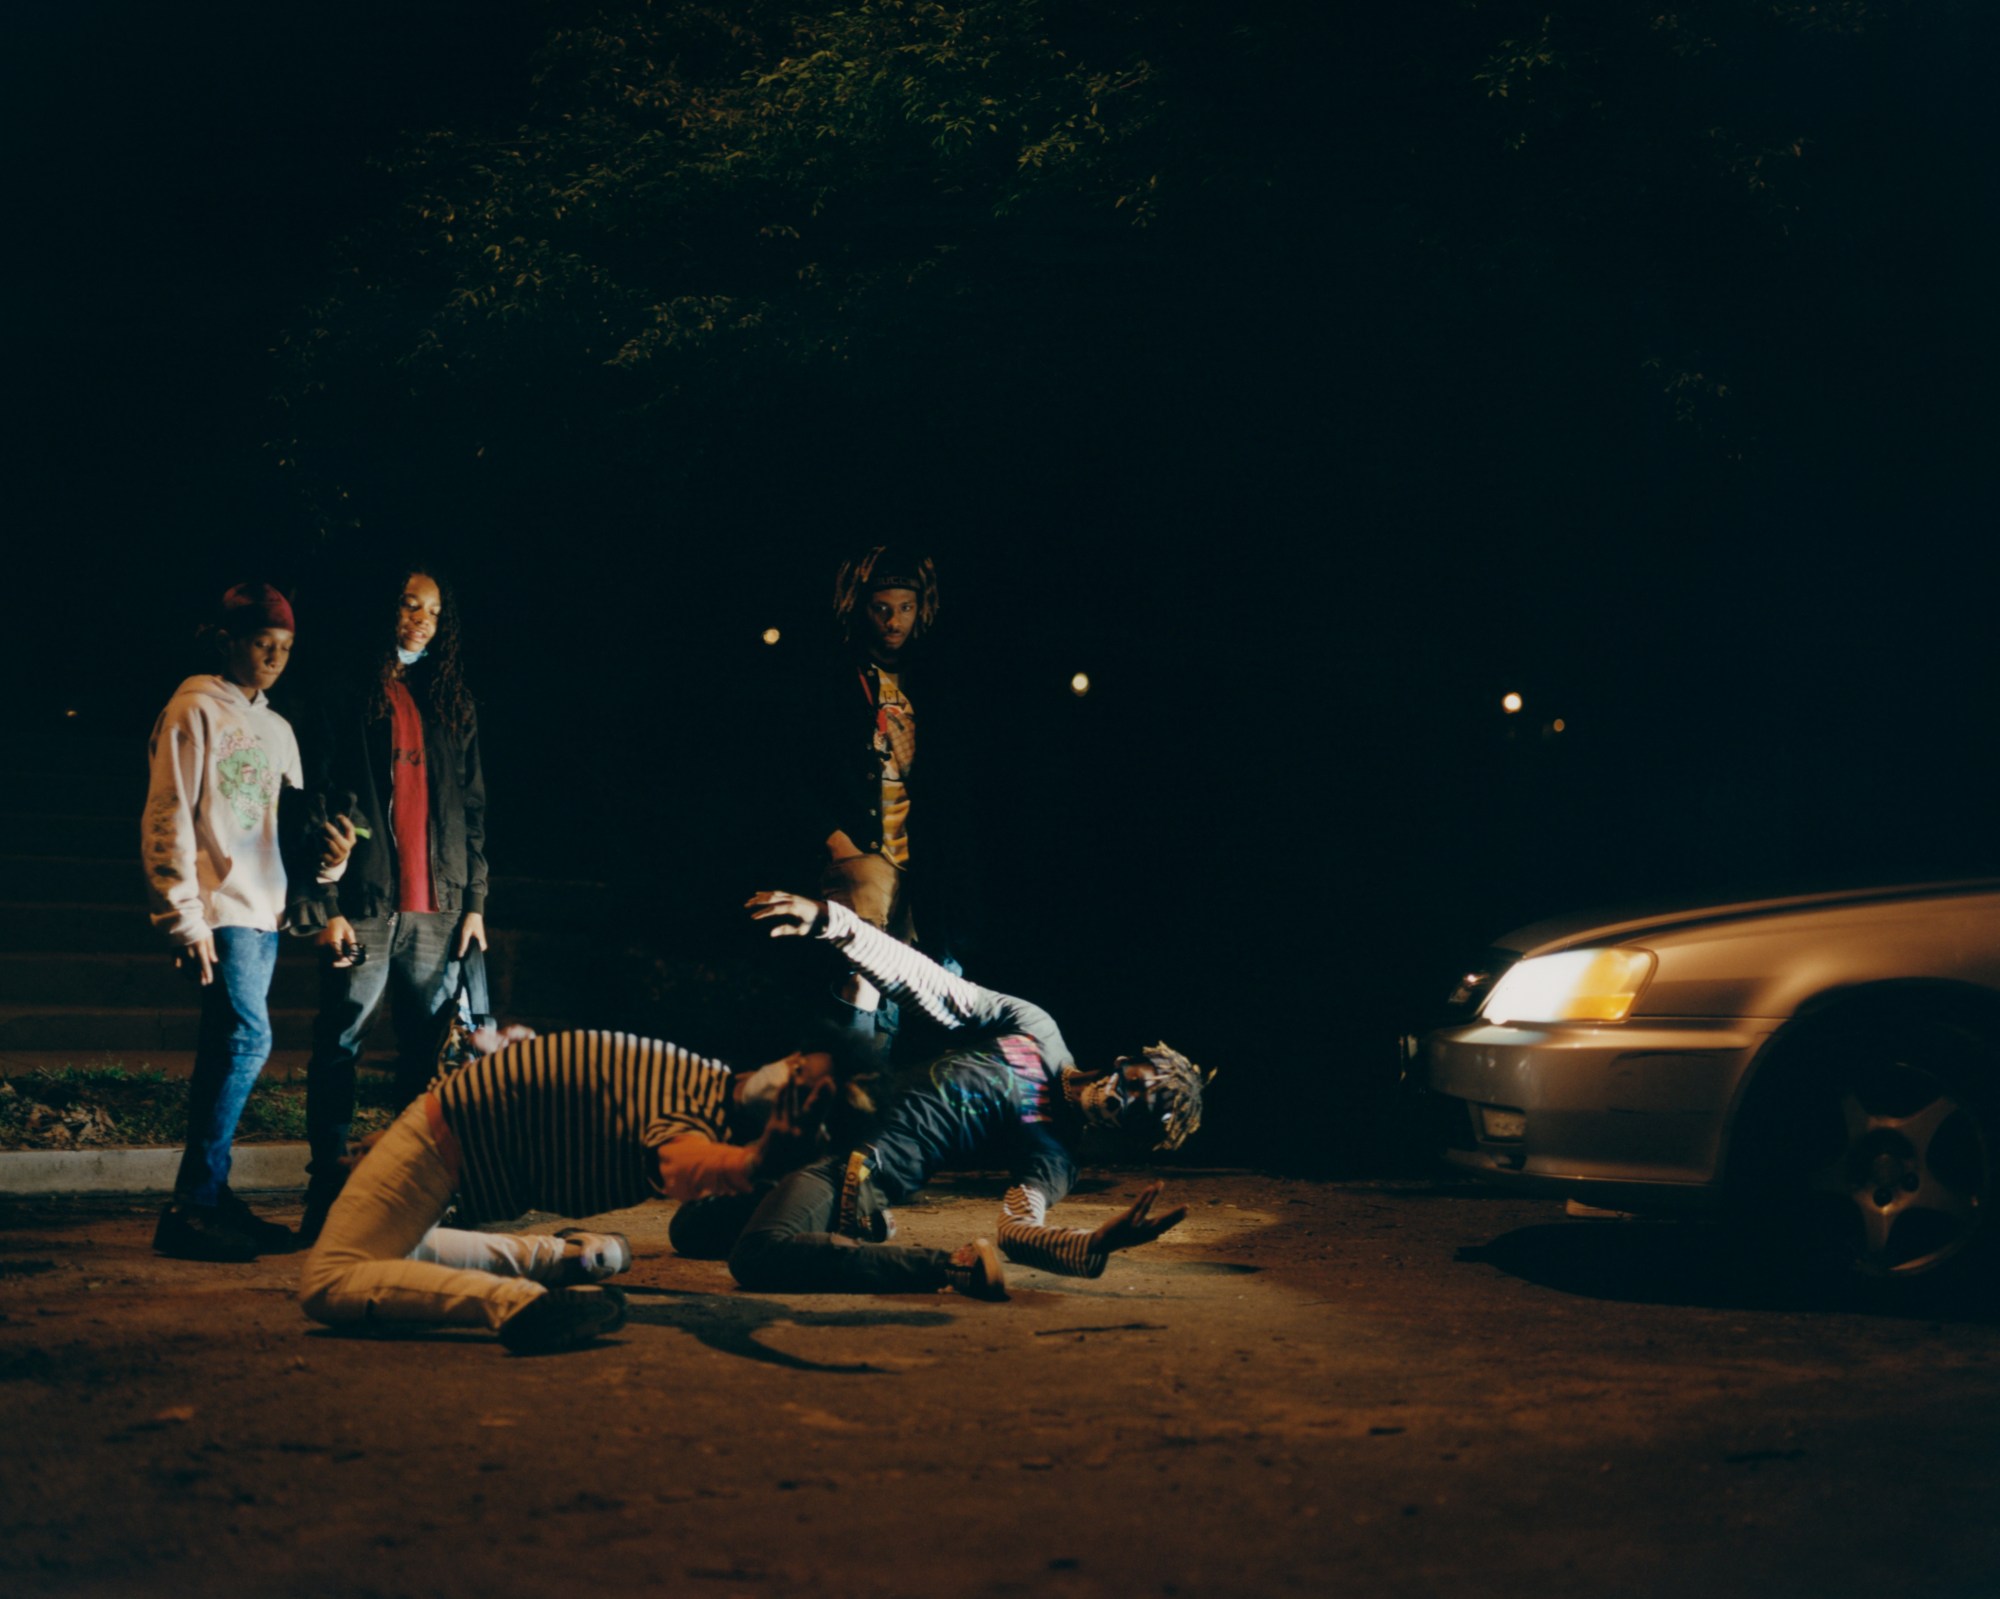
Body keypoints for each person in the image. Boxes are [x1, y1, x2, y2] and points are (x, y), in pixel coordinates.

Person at [707, 891, 1208, 1299]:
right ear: (1125, 1063)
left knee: (757, 1255)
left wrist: (1091, 1244)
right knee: (693, 1229)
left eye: (1140, 1114)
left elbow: (1018, 1226)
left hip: (863, 1166)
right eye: (1139, 1085)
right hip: (827, 1133)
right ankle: (863, 1230)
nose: (1125, 1100)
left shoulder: (1056, 1154)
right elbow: (937, 988)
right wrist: (834, 922)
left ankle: (949, 1267)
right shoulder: (1039, 1031)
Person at [298, 1031, 833, 1353]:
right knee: (393, 1254)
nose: (791, 1071)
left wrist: (758, 1162)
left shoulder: (694, 1120)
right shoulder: (705, 1077)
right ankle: (574, 1257)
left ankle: (520, 1303)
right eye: (798, 1063)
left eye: (803, 1090)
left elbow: (685, 1167)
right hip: (450, 1132)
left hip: (442, 1140)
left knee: (330, 1280)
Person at [143, 584, 355, 1261]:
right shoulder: (192, 709)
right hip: (221, 909)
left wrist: (329, 868)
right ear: (227, 638)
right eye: (262, 640)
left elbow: (292, 837)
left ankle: (214, 1192)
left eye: (286, 647)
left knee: (227, 1047)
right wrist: (184, 916)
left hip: (265, 913)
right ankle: (192, 1205)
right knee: (246, 1039)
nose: (274, 656)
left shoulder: (280, 731)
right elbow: (167, 815)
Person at [298, 564, 490, 1243]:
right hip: (367, 902)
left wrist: (475, 903)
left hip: (438, 909)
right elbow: (318, 793)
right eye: (411, 604)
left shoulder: (452, 701)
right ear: (386, 607)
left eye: (434, 612)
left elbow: (471, 809)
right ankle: (326, 1186)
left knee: (424, 1056)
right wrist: (326, 902)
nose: (421, 620)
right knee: (340, 1042)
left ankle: (409, 1193)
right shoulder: (346, 691)